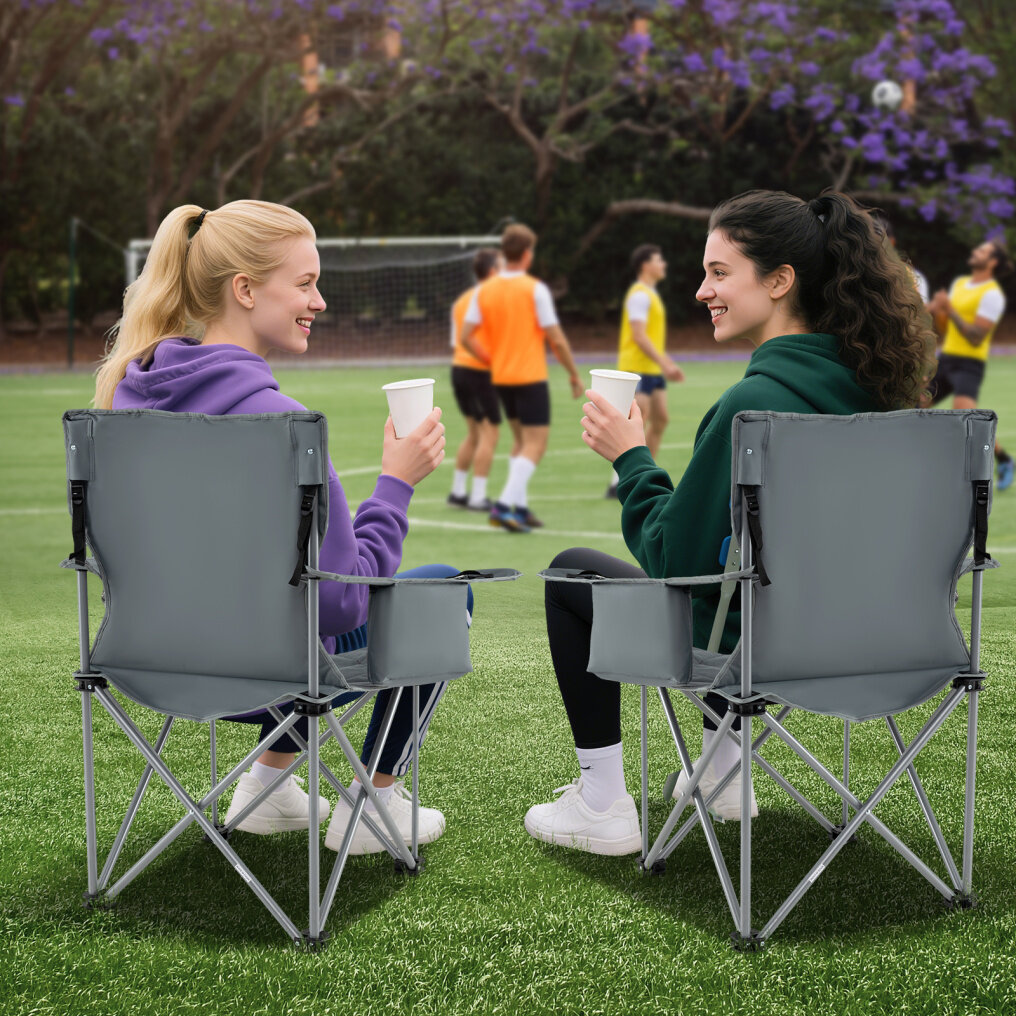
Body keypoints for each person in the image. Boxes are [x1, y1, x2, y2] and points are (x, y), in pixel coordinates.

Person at [526, 190, 935, 853]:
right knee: (745, 576)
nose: (701, 291)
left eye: (720, 272)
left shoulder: (753, 405)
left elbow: (673, 562)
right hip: (888, 644)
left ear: (779, 281)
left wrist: (630, 458)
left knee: (573, 572)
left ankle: (601, 804)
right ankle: (723, 771)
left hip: (761, 652)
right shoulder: (887, 403)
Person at [95, 199, 469, 856]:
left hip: (147, 659)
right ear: (245, 290)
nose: (319, 301)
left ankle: (267, 788)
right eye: (305, 283)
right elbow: (342, 602)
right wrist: (397, 482)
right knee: (443, 589)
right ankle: (374, 803)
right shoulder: (284, 425)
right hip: (270, 673)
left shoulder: (119, 408)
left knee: (272, 608)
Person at [460, 223, 584, 533]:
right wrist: (573, 374)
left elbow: (465, 336)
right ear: (527, 254)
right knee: (535, 445)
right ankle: (503, 507)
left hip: (502, 378)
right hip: (529, 378)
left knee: (520, 442)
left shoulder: (485, 290)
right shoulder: (534, 289)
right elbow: (556, 338)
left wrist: (489, 358)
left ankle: (521, 507)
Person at [928, 240, 1014, 491]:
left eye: (982, 251)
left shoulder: (992, 294)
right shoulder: (960, 283)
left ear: (992, 262)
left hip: (969, 364)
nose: (976, 252)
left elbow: (975, 336)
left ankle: (1004, 460)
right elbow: (946, 327)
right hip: (947, 359)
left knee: (965, 421)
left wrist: (951, 310)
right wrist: (939, 312)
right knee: (916, 403)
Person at [606, 243, 685, 499]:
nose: (663, 264)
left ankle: (643, 472)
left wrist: (666, 363)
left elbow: (651, 338)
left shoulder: (651, 294)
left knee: (661, 419)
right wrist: (665, 363)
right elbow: (639, 336)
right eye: (658, 260)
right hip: (635, 369)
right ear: (645, 265)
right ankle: (619, 481)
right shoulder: (639, 295)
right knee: (636, 423)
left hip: (652, 369)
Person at [447, 247, 503, 512]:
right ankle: (478, 497)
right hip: (480, 371)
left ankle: (458, 491)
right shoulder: (492, 298)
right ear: (492, 271)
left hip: (459, 370)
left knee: (474, 432)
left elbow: (456, 340)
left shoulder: (462, 300)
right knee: (490, 433)